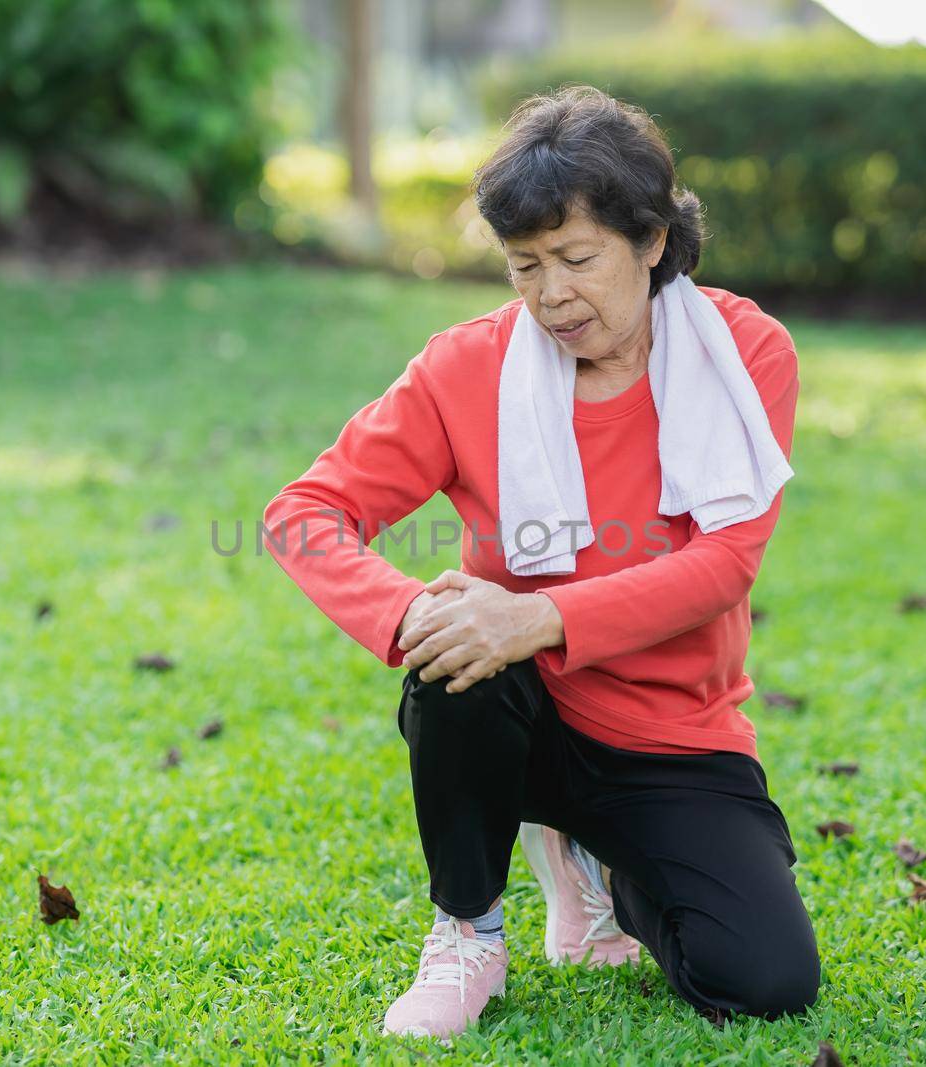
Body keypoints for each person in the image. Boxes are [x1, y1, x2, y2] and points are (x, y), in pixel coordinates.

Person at [262, 85, 820, 1042]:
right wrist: (408, 616)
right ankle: (468, 933)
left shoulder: (745, 352)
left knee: (763, 981)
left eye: (576, 258)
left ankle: (600, 872)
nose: (551, 294)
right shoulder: (464, 369)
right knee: (456, 654)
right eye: (525, 265)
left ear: (650, 240)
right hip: (524, 709)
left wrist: (537, 615)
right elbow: (303, 513)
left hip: (675, 734)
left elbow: (723, 565)